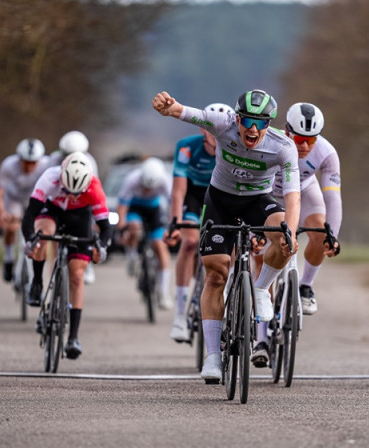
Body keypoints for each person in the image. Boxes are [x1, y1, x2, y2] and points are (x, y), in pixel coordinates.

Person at [152, 89, 300, 383]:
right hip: (220, 200)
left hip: (259, 200)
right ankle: (213, 356)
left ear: (270, 122)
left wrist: (291, 233)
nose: (253, 129)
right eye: (247, 121)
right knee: (216, 274)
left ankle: (259, 289)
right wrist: (169, 108)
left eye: (261, 122)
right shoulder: (222, 124)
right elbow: (186, 111)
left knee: (284, 240)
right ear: (236, 118)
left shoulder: (283, 147)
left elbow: (292, 197)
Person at [248, 102, 342, 368]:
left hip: (304, 193)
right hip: (268, 196)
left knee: (319, 230)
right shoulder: (271, 142)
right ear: (287, 132)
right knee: (262, 258)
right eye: (300, 139)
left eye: (311, 140)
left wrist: (332, 234)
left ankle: (305, 286)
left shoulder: (327, 153)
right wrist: (257, 229)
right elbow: (252, 187)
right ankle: (261, 338)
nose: (304, 146)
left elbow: (333, 199)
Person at [22, 152, 112, 360]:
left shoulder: (94, 188)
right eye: (67, 190)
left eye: (77, 192)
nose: (71, 195)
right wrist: (30, 240)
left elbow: (106, 227)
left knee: (77, 275)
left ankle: (73, 337)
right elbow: (29, 216)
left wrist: (103, 246)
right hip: (51, 210)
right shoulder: (49, 178)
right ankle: (36, 283)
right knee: (43, 235)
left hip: (79, 217)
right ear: (61, 176)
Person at [164, 103, 231, 342]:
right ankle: (180, 316)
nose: (217, 136)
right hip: (193, 196)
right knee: (190, 242)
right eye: (211, 130)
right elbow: (178, 191)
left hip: (220, 196)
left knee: (230, 249)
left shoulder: (233, 147)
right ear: (203, 130)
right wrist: (175, 222)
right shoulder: (187, 148)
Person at [116, 157, 173, 309]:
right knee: (134, 227)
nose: (147, 190)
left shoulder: (165, 180)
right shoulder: (132, 179)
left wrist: (172, 223)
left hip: (154, 210)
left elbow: (172, 204)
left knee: (160, 247)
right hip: (134, 207)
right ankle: (132, 256)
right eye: (145, 187)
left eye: (150, 188)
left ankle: (163, 292)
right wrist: (122, 227)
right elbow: (122, 205)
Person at [0, 138, 49, 282]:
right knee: (11, 227)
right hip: (14, 199)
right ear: (19, 159)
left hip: (35, 200)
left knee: (38, 231)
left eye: (33, 162)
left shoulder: (46, 165)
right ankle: (9, 258)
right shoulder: (9, 165)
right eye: (26, 162)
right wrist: (1, 212)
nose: (29, 166)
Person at [46, 131, 99, 285]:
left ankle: (86, 263)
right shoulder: (53, 160)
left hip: (80, 200)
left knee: (87, 222)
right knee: (53, 236)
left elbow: (93, 192)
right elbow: (47, 185)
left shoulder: (90, 162)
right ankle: (53, 274)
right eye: (66, 154)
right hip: (58, 199)